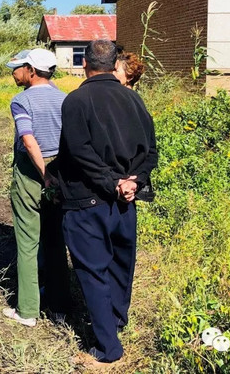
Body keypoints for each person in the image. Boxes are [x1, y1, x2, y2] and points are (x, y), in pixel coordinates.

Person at [55, 40, 157, 364]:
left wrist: (113, 182)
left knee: (92, 271)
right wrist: (133, 181)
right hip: (126, 203)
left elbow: (78, 151)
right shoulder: (135, 100)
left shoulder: (76, 101)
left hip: (87, 203)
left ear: (85, 64)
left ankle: (107, 348)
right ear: (115, 65)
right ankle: (114, 323)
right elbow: (150, 151)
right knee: (121, 266)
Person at [2, 48, 69, 327]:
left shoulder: (21, 101)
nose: (13, 73)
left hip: (33, 172)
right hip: (61, 169)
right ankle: (59, 306)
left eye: (17, 68)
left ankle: (28, 311)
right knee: (55, 239)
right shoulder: (65, 99)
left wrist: (44, 175)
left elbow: (29, 141)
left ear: (31, 69)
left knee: (28, 241)